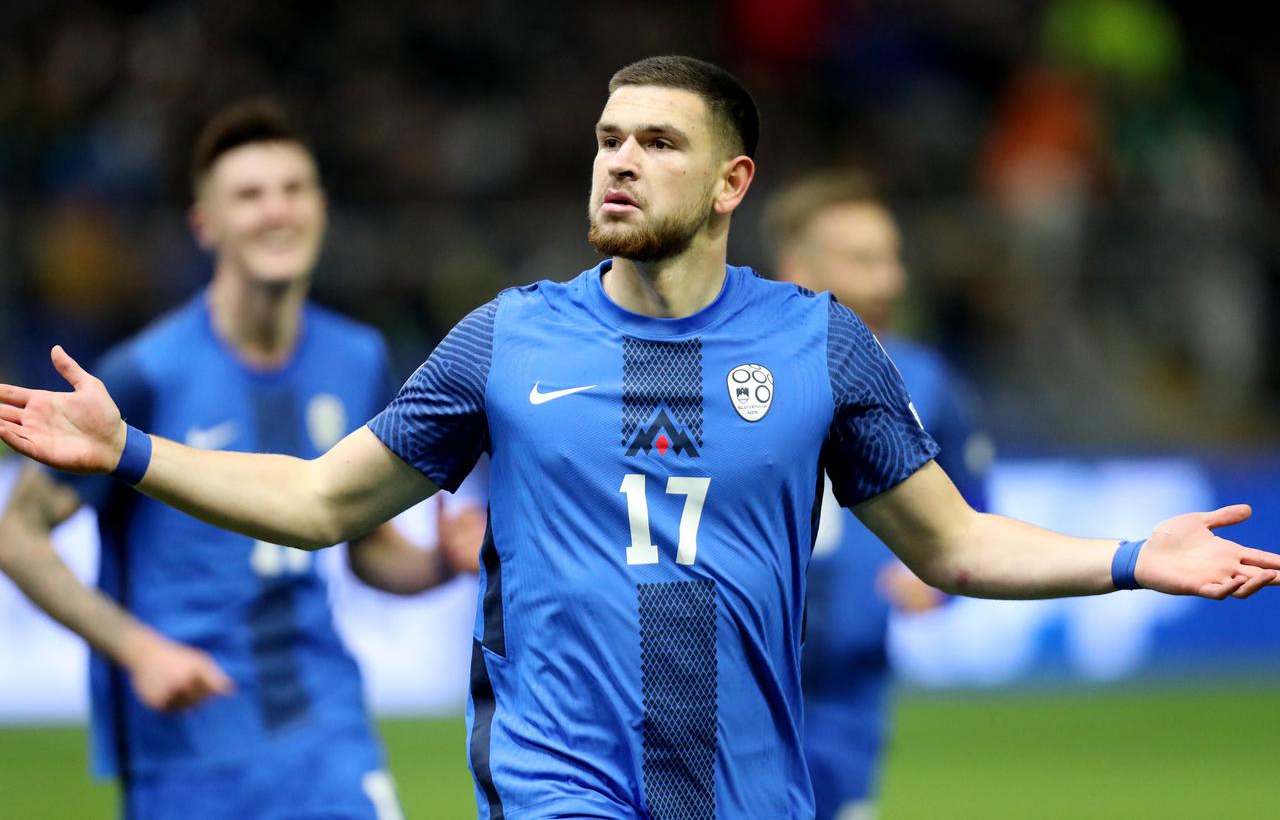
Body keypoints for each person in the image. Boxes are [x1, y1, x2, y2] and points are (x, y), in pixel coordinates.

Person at [2, 56, 1278, 820]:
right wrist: (132, 452)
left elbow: (950, 545)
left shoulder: (820, 344)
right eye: (608, 138)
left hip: (747, 785)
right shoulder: (504, 339)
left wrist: (1129, 556)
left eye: (658, 142)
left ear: (731, 183)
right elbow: (322, 501)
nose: (618, 160)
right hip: (555, 777)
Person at [0, 99, 484, 820]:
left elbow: (366, 545)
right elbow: (16, 535)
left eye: (293, 189)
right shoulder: (146, 373)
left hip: (328, 735)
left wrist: (438, 563)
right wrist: (139, 651)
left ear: (321, 209)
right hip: (188, 747)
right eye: (250, 195)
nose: (276, 210)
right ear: (206, 224)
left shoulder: (358, 357)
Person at [767, 170, 990, 820]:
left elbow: (972, 497)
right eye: (863, 261)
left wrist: (936, 578)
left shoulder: (924, 377)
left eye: (892, 259)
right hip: (736, 673)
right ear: (797, 268)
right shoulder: (731, 369)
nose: (890, 280)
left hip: (849, 687)